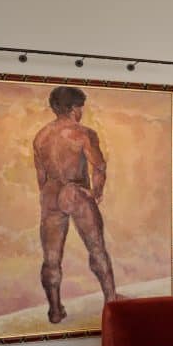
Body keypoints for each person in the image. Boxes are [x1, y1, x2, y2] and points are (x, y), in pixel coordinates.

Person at [32, 86, 118, 324]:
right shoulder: (83, 134)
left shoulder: (41, 136)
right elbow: (99, 166)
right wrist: (96, 192)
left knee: (51, 258)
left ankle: (55, 310)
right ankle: (111, 301)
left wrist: (49, 197)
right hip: (75, 191)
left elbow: (40, 176)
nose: (81, 111)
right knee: (97, 248)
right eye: (80, 107)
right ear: (72, 109)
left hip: (50, 194)